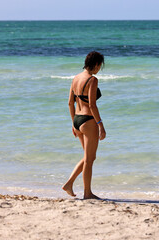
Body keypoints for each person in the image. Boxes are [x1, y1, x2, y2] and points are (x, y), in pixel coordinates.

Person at [62, 51, 106, 199]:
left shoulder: (75, 78)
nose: (99, 69)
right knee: (89, 159)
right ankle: (87, 193)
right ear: (96, 64)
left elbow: (70, 102)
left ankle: (69, 184)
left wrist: (73, 123)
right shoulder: (92, 80)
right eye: (100, 66)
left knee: (89, 157)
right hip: (88, 120)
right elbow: (92, 105)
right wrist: (100, 124)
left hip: (77, 120)